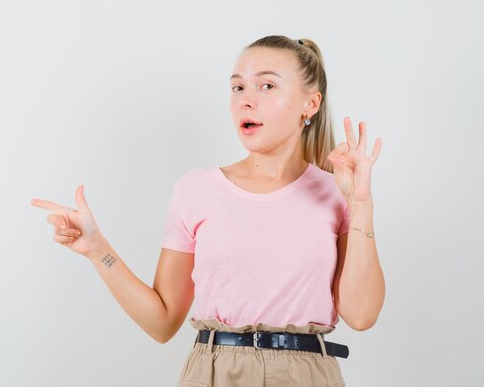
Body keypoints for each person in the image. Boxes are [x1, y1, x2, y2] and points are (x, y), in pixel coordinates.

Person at [30, 34, 385, 387]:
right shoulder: (195, 190)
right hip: (213, 372)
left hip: (307, 374)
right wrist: (96, 249)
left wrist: (361, 205)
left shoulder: (337, 193)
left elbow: (361, 314)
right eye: (238, 88)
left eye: (266, 86)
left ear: (311, 103)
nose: (246, 101)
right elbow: (162, 321)